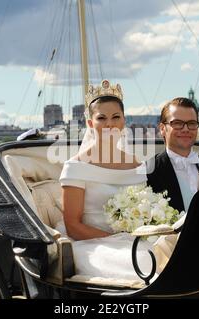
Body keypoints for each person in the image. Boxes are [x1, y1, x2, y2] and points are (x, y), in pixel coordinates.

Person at [57, 80, 154, 281]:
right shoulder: (76, 166)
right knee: (143, 263)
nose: (109, 124)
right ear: (91, 124)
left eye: (115, 117)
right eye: (102, 118)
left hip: (135, 240)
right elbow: (72, 224)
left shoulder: (136, 164)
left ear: (123, 122)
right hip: (93, 244)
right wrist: (115, 239)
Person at [147, 98, 199, 214]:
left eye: (191, 123)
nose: (186, 129)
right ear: (163, 129)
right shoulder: (148, 171)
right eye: (177, 123)